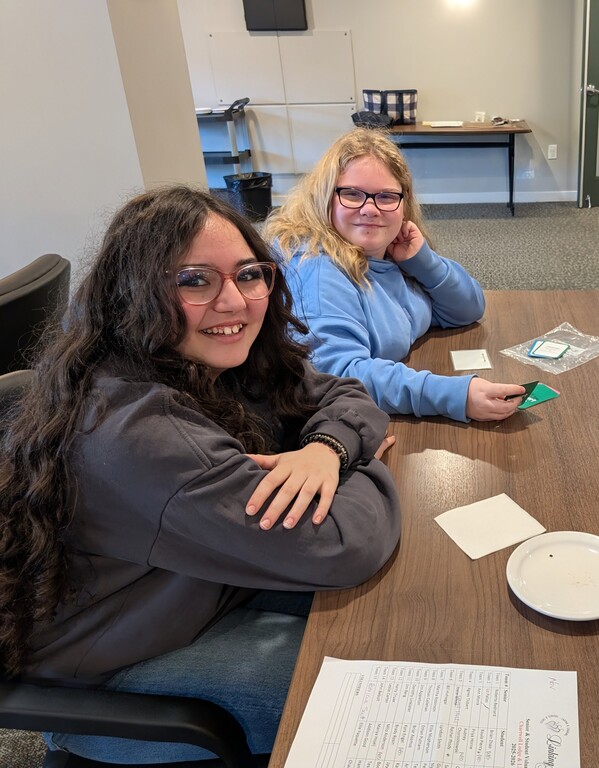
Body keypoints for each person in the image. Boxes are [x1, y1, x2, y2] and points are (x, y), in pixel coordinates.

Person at [0, 186, 401, 763]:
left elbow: (345, 394)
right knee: (377, 691)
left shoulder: (208, 355)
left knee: (392, 614)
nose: (234, 302)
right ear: (134, 294)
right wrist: (365, 460)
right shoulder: (140, 433)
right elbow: (342, 545)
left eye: (249, 274)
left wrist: (326, 450)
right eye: (195, 280)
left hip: (191, 586)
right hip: (107, 672)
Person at [265, 128, 525, 422]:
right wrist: (453, 395)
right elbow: (336, 377)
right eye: (352, 194)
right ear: (325, 198)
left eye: (386, 196)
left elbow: (467, 309)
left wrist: (424, 262)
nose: (370, 209)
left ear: (404, 204)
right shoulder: (316, 270)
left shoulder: (390, 253)